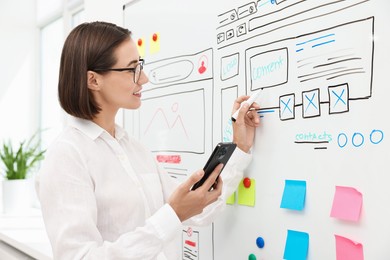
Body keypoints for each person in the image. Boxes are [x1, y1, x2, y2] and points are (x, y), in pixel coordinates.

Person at [35, 21, 260, 260]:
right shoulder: (67, 156)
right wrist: (172, 215)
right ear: (93, 80)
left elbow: (199, 209)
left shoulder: (132, 148)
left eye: (140, 66)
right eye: (132, 69)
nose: (144, 78)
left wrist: (240, 145)